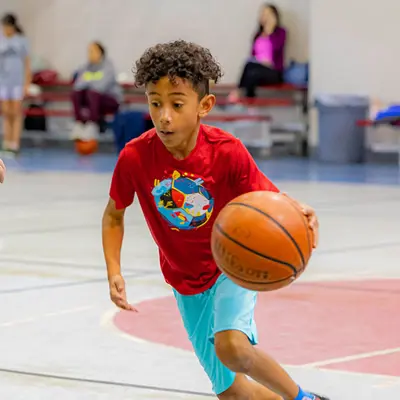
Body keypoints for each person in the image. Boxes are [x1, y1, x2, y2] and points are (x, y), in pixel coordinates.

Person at [102, 40, 328, 400]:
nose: (164, 116)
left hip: (231, 266)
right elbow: (114, 215)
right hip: (183, 279)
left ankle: (302, 398)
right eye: (155, 103)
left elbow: (267, 198)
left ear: (204, 105)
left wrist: (298, 209)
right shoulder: (134, 157)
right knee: (234, 393)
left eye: (177, 104)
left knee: (233, 349)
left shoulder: (226, 152)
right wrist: (114, 270)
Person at [228, 3, 286, 102]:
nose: (265, 17)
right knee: (249, 66)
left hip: (273, 71)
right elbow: (253, 55)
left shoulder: (281, 32)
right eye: (263, 14)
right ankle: (243, 97)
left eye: (268, 14)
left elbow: (277, 48)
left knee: (253, 74)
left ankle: (241, 97)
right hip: (259, 67)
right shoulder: (257, 35)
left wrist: (269, 31)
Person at [71, 41, 122, 141]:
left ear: (100, 53)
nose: (90, 54)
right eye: (89, 51)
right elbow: (77, 85)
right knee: (76, 94)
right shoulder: (85, 67)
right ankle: (79, 124)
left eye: (92, 51)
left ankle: (92, 125)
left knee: (92, 93)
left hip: (110, 99)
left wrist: (87, 81)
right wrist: (90, 82)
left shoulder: (108, 67)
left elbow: (101, 87)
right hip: (92, 98)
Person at [0, 13, 31, 155]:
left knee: (16, 112)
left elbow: (27, 63)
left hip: (17, 81)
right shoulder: (1, 40)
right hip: (3, 81)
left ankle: (15, 143)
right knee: (6, 112)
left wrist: (27, 82)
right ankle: (6, 142)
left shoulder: (21, 41)